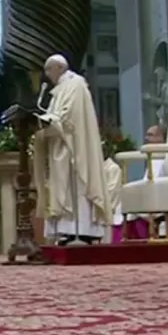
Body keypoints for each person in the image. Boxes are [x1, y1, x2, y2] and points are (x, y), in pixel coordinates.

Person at [32, 54, 111, 245]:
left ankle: (81, 231)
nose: (47, 75)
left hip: (74, 147)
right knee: (63, 188)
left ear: (59, 67)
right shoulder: (60, 88)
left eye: (48, 70)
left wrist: (50, 121)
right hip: (61, 146)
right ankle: (66, 231)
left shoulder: (75, 84)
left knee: (76, 189)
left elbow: (69, 117)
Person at [112, 124, 166, 242]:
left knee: (128, 199)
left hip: (157, 195)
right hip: (150, 191)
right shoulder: (153, 157)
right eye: (146, 135)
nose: (146, 138)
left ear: (161, 138)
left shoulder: (162, 159)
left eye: (151, 135)